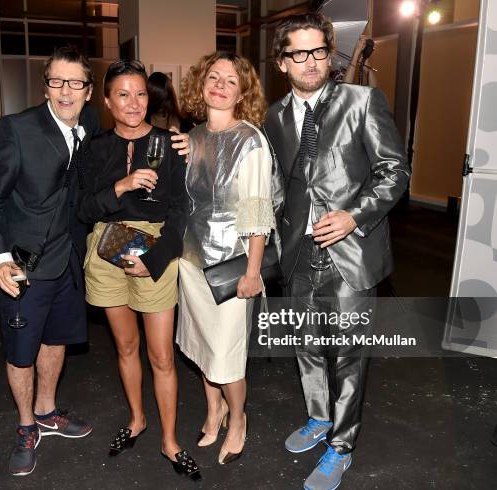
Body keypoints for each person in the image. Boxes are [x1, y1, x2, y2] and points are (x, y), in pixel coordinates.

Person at [264, 14, 410, 490]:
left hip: (353, 251)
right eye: (299, 54)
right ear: (282, 61)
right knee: (304, 344)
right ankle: (319, 417)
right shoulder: (275, 116)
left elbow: (394, 170)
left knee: (348, 352)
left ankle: (342, 446)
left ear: (329, 52)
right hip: (299, 252)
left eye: (319, 51)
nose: (311, 62)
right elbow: (282, 186)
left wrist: (355, 215)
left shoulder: (363, 101)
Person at [0, 46, 98, 477]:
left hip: (67, 260)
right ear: (45, 84)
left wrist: (175, 140)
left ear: (88, 89)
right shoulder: (16, 129)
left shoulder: (90, 127)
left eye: (75, 82)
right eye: (56, 81)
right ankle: (26, 425)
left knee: (57, 339)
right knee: (22, 352)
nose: (65, 91)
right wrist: (0, 259)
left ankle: (47, 412)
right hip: (23, 266)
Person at [78, 59, 201, 480]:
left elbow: (182, 210)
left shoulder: (172, 144)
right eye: (123, 95)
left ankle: (169, 440)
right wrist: (121, 186)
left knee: (162, 355)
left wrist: (154, 258)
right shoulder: (94, 148)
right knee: (126, 348)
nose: (134, 103)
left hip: (155, 250)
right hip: (106, 249)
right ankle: (136, 419)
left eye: (141, 94)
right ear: (108, 101)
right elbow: (84, 208)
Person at [176, 51, 275, 465]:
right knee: (201, 348)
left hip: (232, 268)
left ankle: (238, 419)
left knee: (227, 356)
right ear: (201, 84)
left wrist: (253, 272)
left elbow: (257, 211)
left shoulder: (250, 139)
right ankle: (213, 410)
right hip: (191, 262)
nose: (219, 84)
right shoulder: (192, 136)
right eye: (212, 77)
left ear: (243, 91)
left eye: (230, 81)